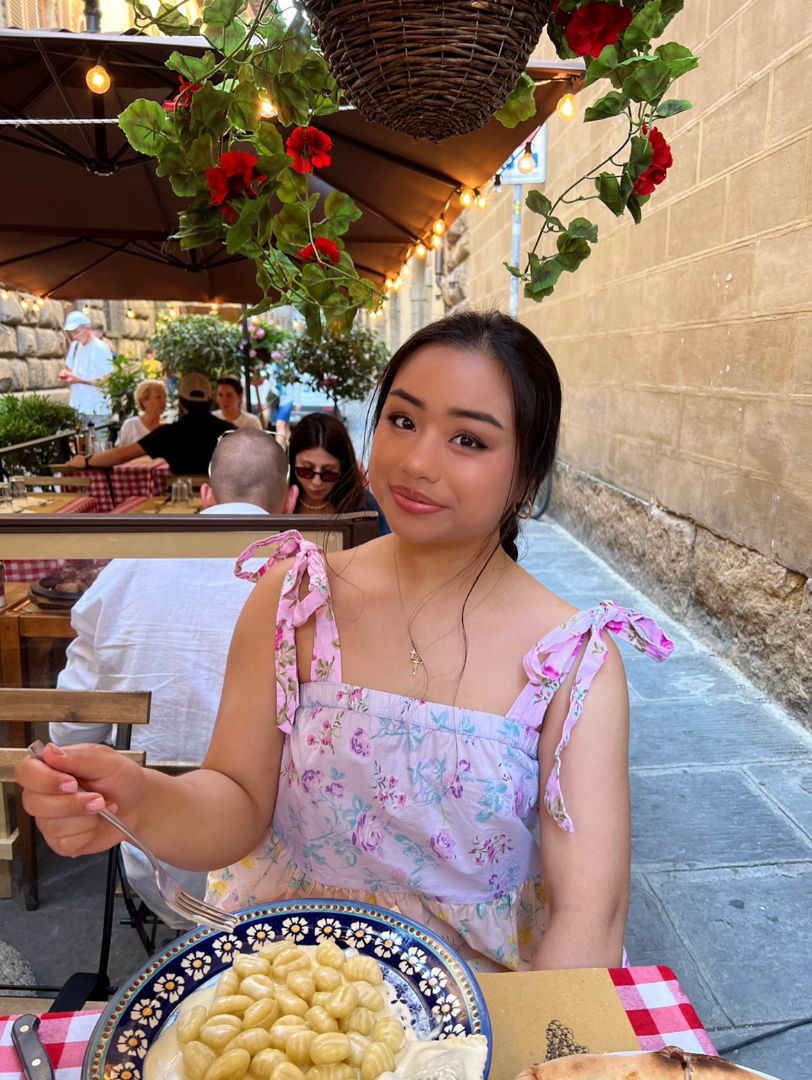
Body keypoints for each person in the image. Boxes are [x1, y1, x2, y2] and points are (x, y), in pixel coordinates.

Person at [16, 311, 672, 972]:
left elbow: (591, 915)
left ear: (528, 474)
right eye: (404, 420)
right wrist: (140, 799)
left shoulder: (572, 662)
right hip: (287, 1003)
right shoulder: (293, 598)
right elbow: (238, 803)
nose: (417, 462)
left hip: (474, 1025)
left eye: (469, 440)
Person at [49, 428, 298, 927]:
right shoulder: (313, 574)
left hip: (157, 867)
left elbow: (70, 733)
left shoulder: (128, 568)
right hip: (288, 871)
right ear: (290, 500)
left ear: (206, 496)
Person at [64, 373, 234, 476]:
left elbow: (120, 455)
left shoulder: (168, 433)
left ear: (181, 402)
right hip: (224, 503)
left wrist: (87, 461)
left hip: (182, 504)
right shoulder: (231, 432)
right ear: (211, 401)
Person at [289, 412, 390, 534]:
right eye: (306, 471)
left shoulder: (365, 506)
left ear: (343, 468)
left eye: (328, 473)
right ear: (292, 462)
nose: (316, 482)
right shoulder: (278, 499)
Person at [58, 311, 114, 426]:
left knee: (101, 444)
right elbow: (70, 370)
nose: (74, 336)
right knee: (79, 443)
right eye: (71, 333)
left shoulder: (101, 348)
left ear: (88, 328)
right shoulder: (74, 346)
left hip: (98, 409)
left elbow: (107, 381)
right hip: (77, 407)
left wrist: (78, 380)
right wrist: (65, 374)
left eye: (76, 332)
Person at [116, 379, 167, 446]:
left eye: (165, 397)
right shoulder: (131, 425)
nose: (163, 401)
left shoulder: (167, 428)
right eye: (158, 397)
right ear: (144, 402)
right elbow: (120, 452)